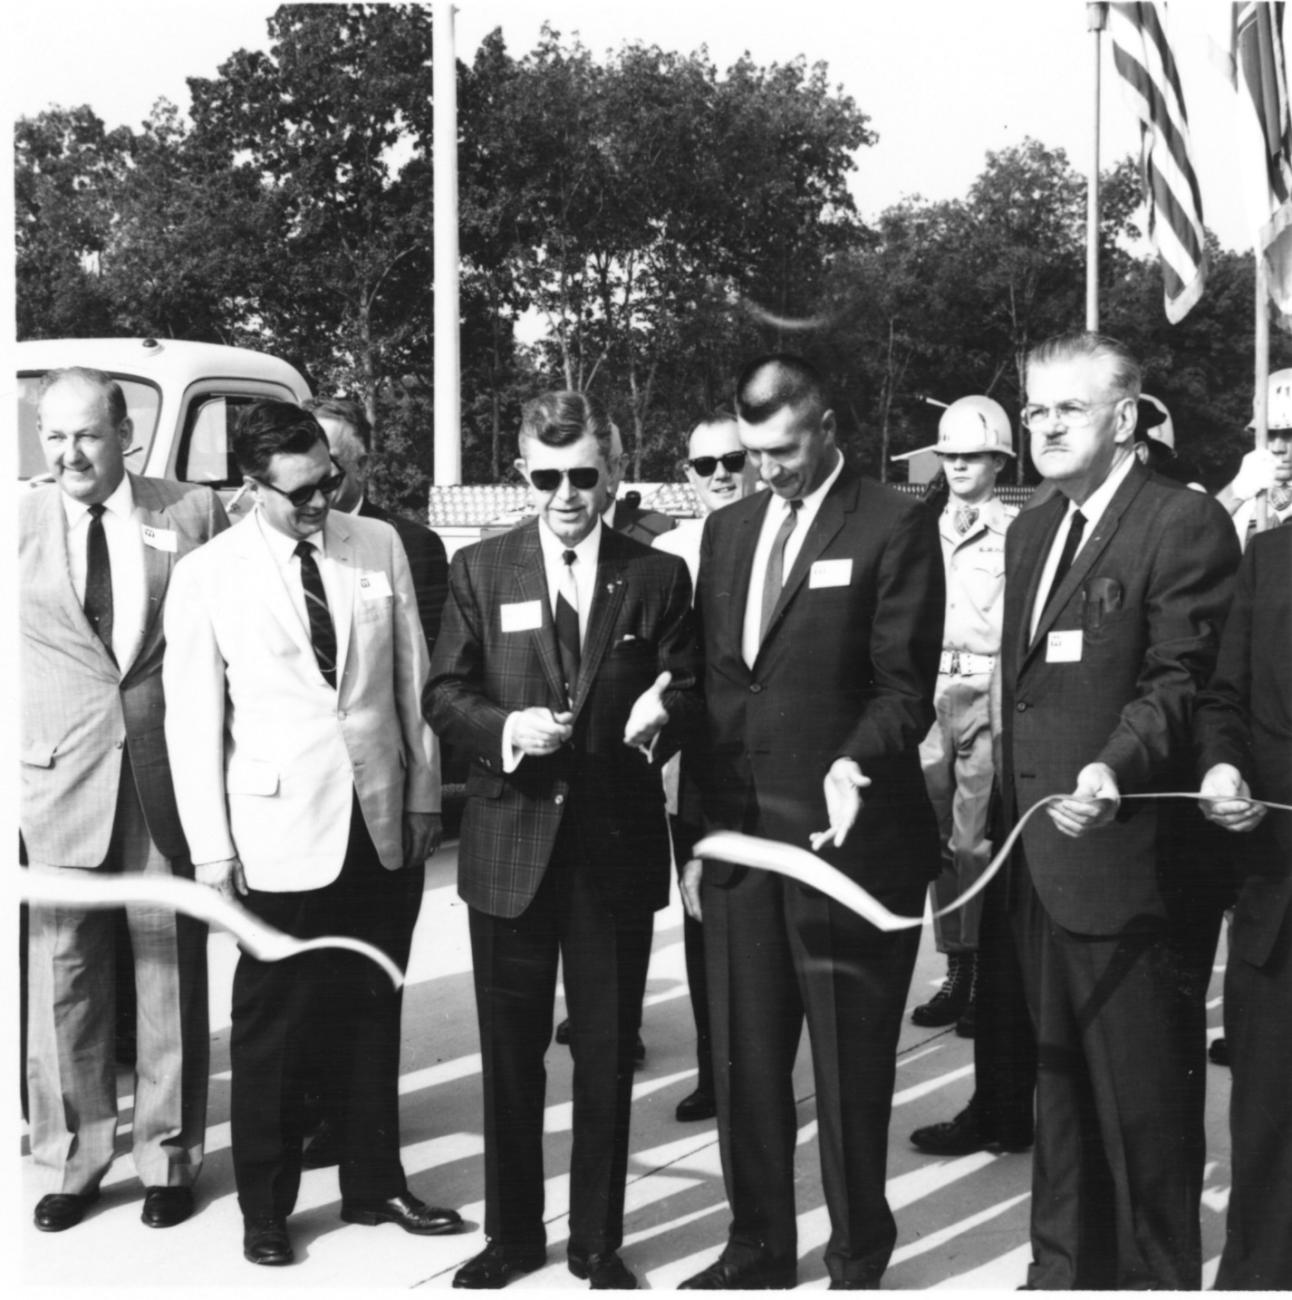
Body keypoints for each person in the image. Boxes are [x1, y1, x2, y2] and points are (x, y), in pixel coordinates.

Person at [162, 400, 460, 1266]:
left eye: (328, 482)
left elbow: (412, 681)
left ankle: (375, 1184)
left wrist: (422, 795)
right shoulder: (208, 576)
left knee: (374, 1003)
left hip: (379, 821)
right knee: (274, 1024)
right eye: (298, 494)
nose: (320, 504)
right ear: (251, 488)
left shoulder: (381, 549)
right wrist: (212, 851)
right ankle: (267, 1203)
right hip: (273, 831)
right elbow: (192, 726)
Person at [679, 354, 944, 1290]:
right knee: (747, 1066)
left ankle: (856, 1257)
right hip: (744, 846)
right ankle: (755, 1249)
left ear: (826, 428)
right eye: (753, 454)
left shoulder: (895, 523)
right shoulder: (728, 530)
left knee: (848, 1070)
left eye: (783, 452)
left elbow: (904, 691)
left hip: (849, 847)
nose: (767, 471)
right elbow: (718, 685)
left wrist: (849, 760)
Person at [426, 390, 701, 1292]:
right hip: (509, 851)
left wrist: (667, 708)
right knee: (508, 1058)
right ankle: (512, 1237)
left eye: (584, 475)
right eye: (547, 477)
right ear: (522, 474)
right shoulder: (481, 569)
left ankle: (597, 1242)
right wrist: (505, 730)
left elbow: (691, 682)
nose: (566, 494)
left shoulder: (655, 575)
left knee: (605, 1056)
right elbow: (444, 694)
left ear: (613, 473)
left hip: (613, 855)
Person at [1000, 331, 1240, 1289]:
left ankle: (1152, 1276)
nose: (1047, 427)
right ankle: (1062, 1271)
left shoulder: (1179, 522)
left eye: (1069, 408)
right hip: (1040, 858)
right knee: (1055, 1090)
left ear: (1128, 417)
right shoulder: (1031, 528)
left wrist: (1109, 768)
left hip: (1132, 858)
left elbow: (1179, 678)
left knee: (1143, 1101)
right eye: (1036, 410)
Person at [20, 367, 227, 1233]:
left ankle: (167, 1156)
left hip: (158, 774)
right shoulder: (12, 519)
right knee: (63, 974)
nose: (71, 453)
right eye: (55, 436)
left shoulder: (189, 512)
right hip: (56, 777)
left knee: (164, 963)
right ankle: (73, 1158)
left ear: (124, 435)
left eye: (89, 435)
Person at [301, 394, 451, 1169]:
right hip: (298, 810)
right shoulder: (258, 538)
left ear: (358, 464)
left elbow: (427, 683)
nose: (318, 484)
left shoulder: (411, 546)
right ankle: (312, 1107)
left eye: (333, 464)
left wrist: (427, 793)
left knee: (372, 977)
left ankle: (360, 1128)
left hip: (383, 803)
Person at [655, 414, 760, 1124]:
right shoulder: (669, 554)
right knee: (703, 923)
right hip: (693, 766)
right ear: (687, 475)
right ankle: (716, 1069)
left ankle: (762, 1073)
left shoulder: (782, 536)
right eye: (704, 465)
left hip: (770, 764)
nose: (719, 473)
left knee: (765, 925)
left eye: (732, 458)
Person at [1195, 525, 1292, 1290]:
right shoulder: (1272, 553)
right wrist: (1223, 764)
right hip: (1279, 897)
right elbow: (1225, 695)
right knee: (1267, 1128)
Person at [907, 396, 1018, 1037]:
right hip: (928, 691)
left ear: (1000, 460)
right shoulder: (918, 526)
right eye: (948, 455)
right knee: (936, 840)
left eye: (972, 455)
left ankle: (984, 971)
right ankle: (957, 966)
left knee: (976, 838)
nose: (957, 466)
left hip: (986, 689)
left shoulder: (1017, 533)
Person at [306, 395, 450, 656]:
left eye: (328, 462)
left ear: (361, 466)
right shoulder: (267, 548)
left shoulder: (412, 545)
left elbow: (427, 654)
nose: (313, 474)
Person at [1217, 367, 1292, 544]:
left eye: (1290, 434)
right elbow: (1189, 538)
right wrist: (1235, 493)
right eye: (1269, 434)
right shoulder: (1246, 497)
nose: (1277, 447)